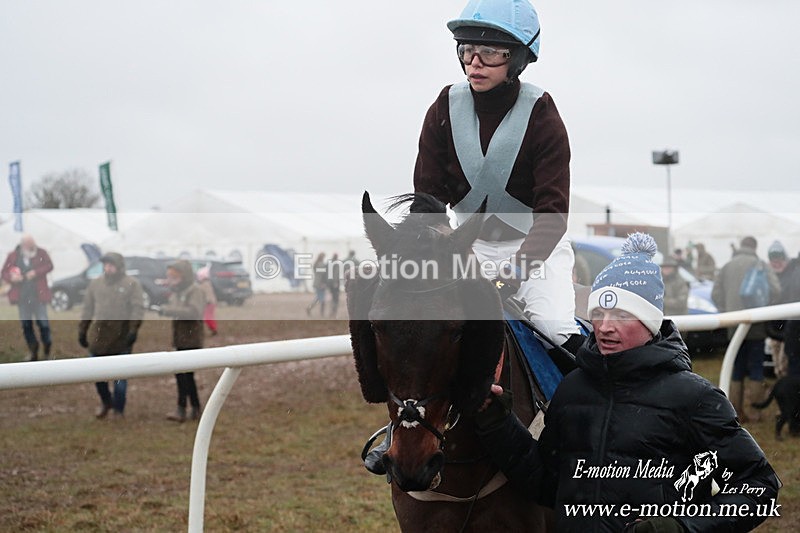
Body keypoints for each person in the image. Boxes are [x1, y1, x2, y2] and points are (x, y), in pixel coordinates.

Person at [364, 0, 584, 476]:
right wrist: (430, 253)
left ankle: (583, 434)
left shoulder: (542, 114)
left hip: (535, 246)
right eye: (467, 50)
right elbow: (427, 200)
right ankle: (402, 429)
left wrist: (516, 273)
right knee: (420, 326)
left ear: (518, 59)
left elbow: (552, 216)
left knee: (554, 327)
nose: (475, 62)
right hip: (468, 246)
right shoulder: (444, 107)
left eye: (491, 53)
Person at [474, 233, 781, 532]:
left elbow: (759, 485)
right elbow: (548, 485)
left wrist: (682, 527)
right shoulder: (572, 390)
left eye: (621, 315)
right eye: (598, 313)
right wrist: (497, 422)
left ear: (649, 321)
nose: (605, 327)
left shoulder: (695, 397)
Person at [712, 236, 781, 422]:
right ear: (755, 247)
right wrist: (765, 308)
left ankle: (735, 411)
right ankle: (755, 412)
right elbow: (775, 290)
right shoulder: (761, 265)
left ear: (741, 246)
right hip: (756, 324)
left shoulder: (727, 266)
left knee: (736, 368)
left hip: (733, 324)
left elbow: (715, 293)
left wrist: (726, 311)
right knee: (756, 368)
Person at [78, 253, 144, 419]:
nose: (108, 268)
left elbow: (137, 309)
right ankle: (106, 401)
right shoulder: (95, 284)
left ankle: (118, 409)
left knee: (120, 378)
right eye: (106, 265)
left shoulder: (131, 284)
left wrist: (133, 330)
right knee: (97, 374)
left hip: (121, 337)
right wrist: (82, 330)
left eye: (111, 265)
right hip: (99, 336)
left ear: (120, 266)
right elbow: (87, 309)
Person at [160, 260, 206, 422]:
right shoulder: (178, 292)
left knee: (186, 375)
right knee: (183, 375)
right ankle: (192, 408)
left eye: (175, 277)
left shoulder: (195, 291)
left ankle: (186, 408)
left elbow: (193, 312)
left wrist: (169, 310)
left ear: (184, 276)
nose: (171, 280)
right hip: (180, 339)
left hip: (191, 340)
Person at [1, 235, 54, 361]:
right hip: (22, 298)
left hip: (39, 296)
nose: (32, 246)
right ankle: (33, 350)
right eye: (29, 244)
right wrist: (12, 278)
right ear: (23, 245)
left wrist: (36, 272)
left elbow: (49, 266)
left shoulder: (41, 253)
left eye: (33, 244)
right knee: (26, 325)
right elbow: (4, 273)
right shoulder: (13, 256)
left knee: (43, 324)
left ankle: (47, 350)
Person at [766, 241, 791, 378]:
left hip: (789, 326)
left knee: (785, 363)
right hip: (773, 327)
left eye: (779, 260)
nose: (776, 263)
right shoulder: (767, 277)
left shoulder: (792, 275)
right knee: (777, 364)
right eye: (773, 260)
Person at [196, 266, 218, 336]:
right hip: (211, 303)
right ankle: (213, 328)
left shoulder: (204, 285)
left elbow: (206, 295)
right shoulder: (207, 283)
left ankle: (213, 328)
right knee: (209, 316)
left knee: (207, 317)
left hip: (209, 303)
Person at [306, 252, 327, 317]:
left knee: (318, 298)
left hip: (316, 283)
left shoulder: (316, 264)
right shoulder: (321, 265)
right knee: (322, 299)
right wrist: (323, 283)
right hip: (320, 284)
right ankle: (322, 314)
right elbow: (323, 275)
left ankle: (309, 308)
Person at [326, 253, 341, 318]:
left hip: (329, 283)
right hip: (335, 284)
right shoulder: (336, 264)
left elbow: (326, 273)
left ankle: (331, 312)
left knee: (332, 298)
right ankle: (334, 313)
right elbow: (336, 274)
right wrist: (335, 282)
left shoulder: (328, 263)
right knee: (336, 299)